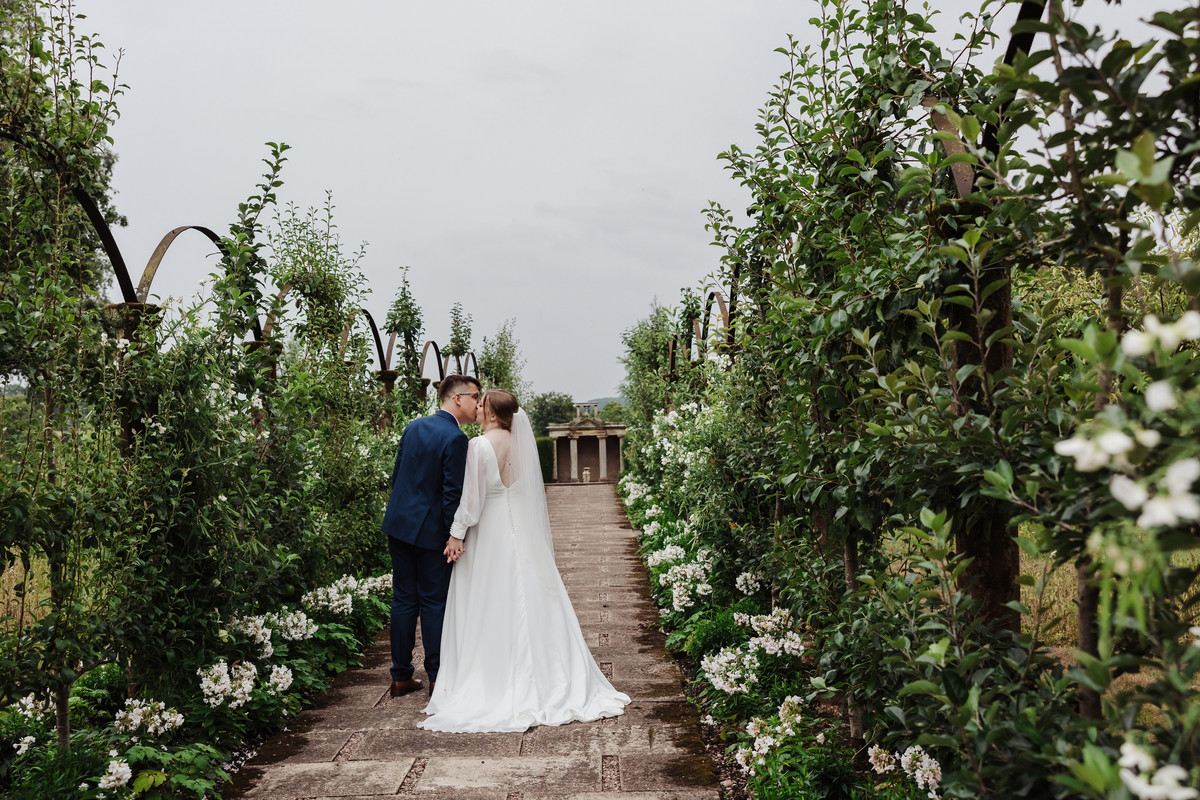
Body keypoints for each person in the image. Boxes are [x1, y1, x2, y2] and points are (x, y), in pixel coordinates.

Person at [419, 389, 630, 732]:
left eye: (481, 403)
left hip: (489, 532)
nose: (478, 407)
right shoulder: (521, 446)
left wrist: (456, 534)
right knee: (533, 596)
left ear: (489, 412)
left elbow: (471, 500)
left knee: (489, 601)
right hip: (520, 530)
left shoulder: (480, 446)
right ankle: (548, 676)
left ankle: (493, 678)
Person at [380, 374, 481, 697]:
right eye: (475, 396)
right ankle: (437, 676)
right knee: (435, 603)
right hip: (430, 532)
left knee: (404, 599)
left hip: (398, 524)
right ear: (457, 399)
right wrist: (455, 535)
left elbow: (398, 475)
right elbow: (452, 493)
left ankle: (400, 676)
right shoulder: (455, 438)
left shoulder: (414, 426)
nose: (478, 403)